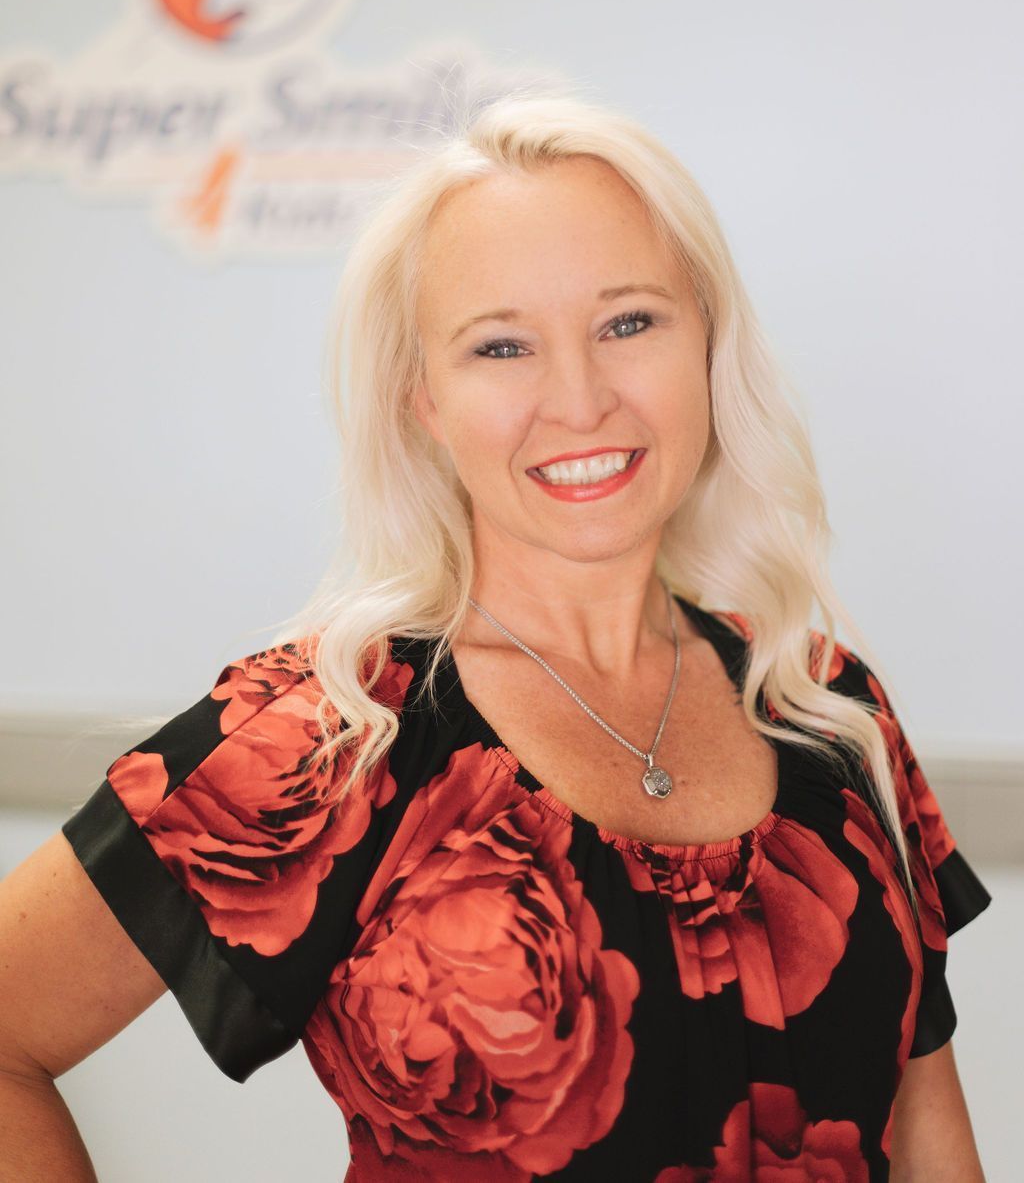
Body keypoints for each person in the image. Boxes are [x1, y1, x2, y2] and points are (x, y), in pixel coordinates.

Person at [0, 92, 993, 1181]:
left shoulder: (824, 702)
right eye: (502, 345)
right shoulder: (333, 739)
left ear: (708, 339)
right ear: (423, 398)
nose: (579, 400)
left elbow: (926, 1126)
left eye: (629, 323)